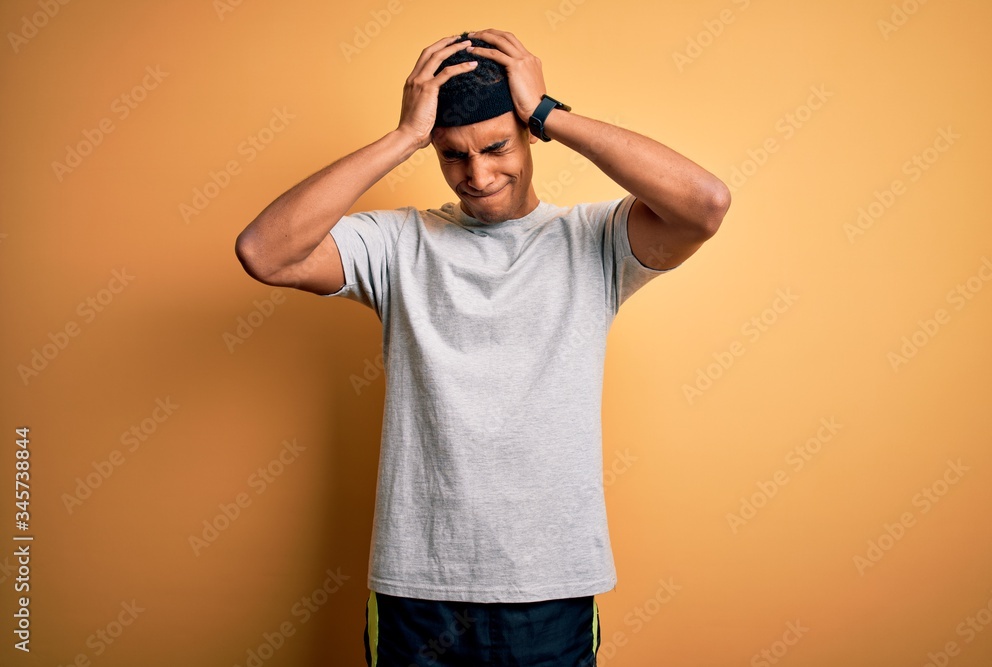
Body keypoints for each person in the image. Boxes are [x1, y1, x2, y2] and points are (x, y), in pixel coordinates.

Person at [235, 28, 730, 667]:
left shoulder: (594, 241)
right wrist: (403, 136)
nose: (478, 175)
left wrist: (548, 110)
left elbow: (705, 204)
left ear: (528, 134)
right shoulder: (397, 243)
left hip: (550, 588)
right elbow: (264, 253)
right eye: (452, 156)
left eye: (497, 147)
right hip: (418, 588)